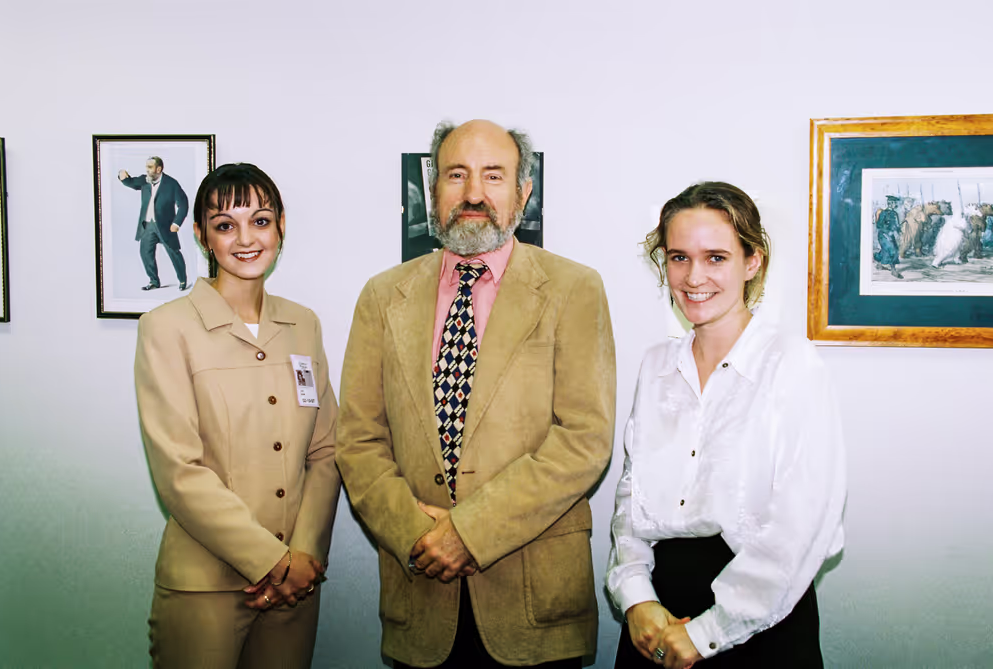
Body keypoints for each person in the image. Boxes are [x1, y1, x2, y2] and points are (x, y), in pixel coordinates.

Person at [336, 119, 616, 668]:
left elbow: (584, 439)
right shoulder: (380, 296)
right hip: (420, 596)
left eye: (493, 176)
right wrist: (420, 536)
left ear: (522, 193)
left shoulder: (574, 289)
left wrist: (469, 532)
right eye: (456, 174)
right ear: (433, 187)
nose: (472, 193)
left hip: (536, 604)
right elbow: (358, 440)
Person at [607, 182, 846, 669]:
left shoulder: (791, 363)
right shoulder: (654, 367)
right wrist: (635, 598)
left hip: (760, 618)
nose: (694, 276)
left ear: (752, 261)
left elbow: (803, 523)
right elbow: (632, 503)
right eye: (678, 257)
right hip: (658, 613)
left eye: (716, 257)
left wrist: (709, 631)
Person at [134, 163, 342, 668]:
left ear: (281, 226)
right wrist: (273, 561)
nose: (246, 239)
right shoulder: (167, 329)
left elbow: (327, 450)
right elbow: (179, 474)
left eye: (261, 220)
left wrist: (303, 559)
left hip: (296, 588)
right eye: (225, 225)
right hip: (204, 589)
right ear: (202, 235)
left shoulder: (303, 325)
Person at [119, 156, 190, 291]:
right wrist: (121, 176)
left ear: (159, 168)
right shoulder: (144, 180)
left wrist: (177, 223)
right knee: (145, 253)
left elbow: (183, 204)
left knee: (174, 253)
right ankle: (154, 281)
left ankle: (182, 280)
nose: (147, 170)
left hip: (166, 226)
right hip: (148, 225)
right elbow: (131, 182)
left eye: (150, 167)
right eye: (146, 167)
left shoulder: (171, 184)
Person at [873, 194, 903, 278]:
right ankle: (893, 270)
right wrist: (887, 231)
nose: (896, 205)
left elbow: (896, 225)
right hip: (883, 235)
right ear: (890, 203)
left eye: (896, 203)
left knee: (890, 250)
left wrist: (899, 231)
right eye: (894, 203)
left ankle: (879, 264)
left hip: (891, 235)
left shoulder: (895, 213)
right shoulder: (884, 213)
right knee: (892, 250)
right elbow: (879, 225)